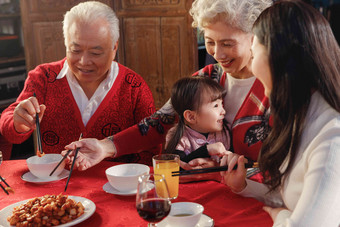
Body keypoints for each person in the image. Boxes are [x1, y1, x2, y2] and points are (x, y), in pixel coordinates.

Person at [64, 0, 272, 173]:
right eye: (210, 41)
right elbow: (158, 123)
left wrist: (218, 167)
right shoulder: (207, 78)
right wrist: (104, 146)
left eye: (227, 44)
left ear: (256, 37)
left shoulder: (275, 88)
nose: (217, 54)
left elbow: (285, 167)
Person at [221, 0, 340, 226]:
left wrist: (282, 216)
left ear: (280, 58)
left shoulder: (332, 136)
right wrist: (244, 186)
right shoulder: (301, 116)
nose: (252, 67)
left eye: (254, 55)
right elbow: (295, 194)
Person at [0, 1, 157, 165]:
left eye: (96, 53)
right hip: (56, 187)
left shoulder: (134, 86)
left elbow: (151, 146)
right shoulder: (43, 78)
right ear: (66, 44)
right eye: (75, 50)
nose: (84, 61)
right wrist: (19, 123)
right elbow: (8, 126)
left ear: (114, 48)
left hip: (116, 187)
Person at [165, 76, 230, 163]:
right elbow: (176, 167)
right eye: (216, 106)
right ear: (191, 116)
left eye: (221, 104)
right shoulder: (179, 137)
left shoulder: (224, 133)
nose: (223, 111)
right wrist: (206, 150)